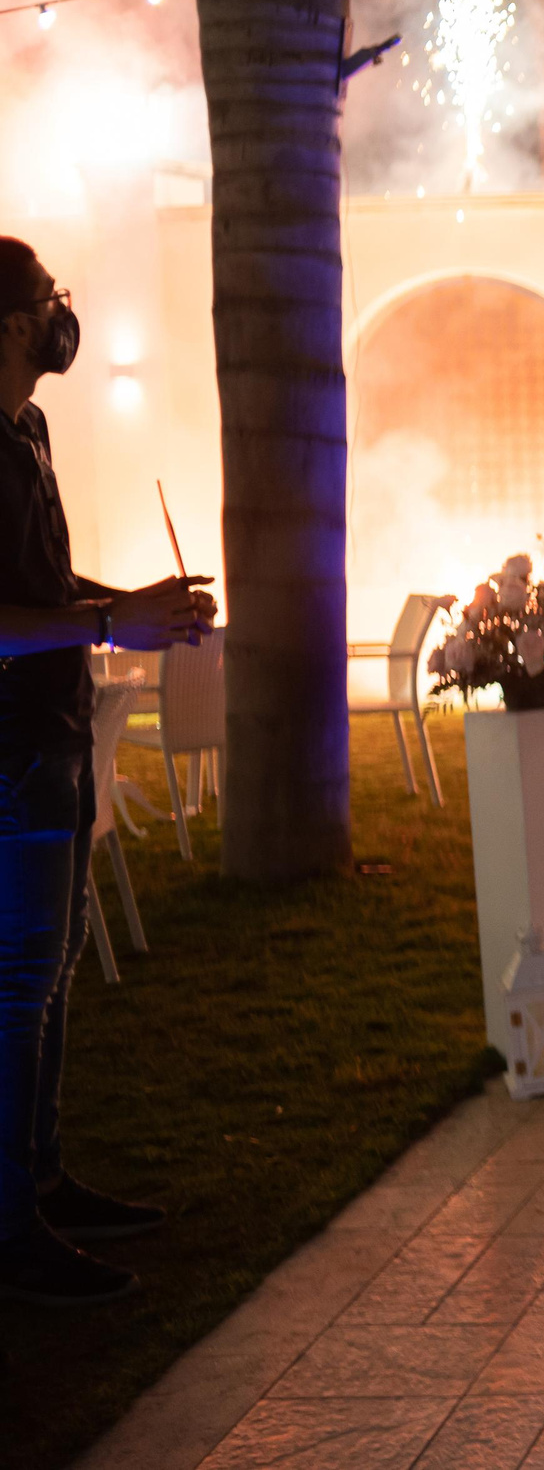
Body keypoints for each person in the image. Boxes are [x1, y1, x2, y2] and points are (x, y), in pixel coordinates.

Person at [0, 239, 217, 1307]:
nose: (62, 317)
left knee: (52, 979)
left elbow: (41, 585)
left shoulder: (27, 430)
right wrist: (103, 619)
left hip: (58, 741)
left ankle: (42, 1179)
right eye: (48, 302)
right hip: (10, 756)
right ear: (8, 324)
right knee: (11, 996)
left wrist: (138, 603)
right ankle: (10, 1228)